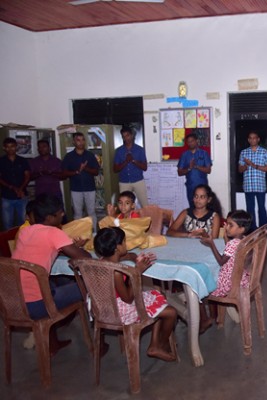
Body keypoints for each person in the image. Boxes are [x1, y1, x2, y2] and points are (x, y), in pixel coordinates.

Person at [12, 194, 91, 356]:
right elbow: (85, 258)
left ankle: (53, 343)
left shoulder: (26, 231)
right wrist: (77, 248)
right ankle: (98, 343)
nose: (63, 214)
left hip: (14, 302)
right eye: (59, 213)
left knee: (56, 282)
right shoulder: (54, 233)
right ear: (49, 218)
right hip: (36, 305)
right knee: (89, 286)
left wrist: (67, 247)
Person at [94, 227, 177, 362]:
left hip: (103, 308)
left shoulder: (103, 261)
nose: (126, 244)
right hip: (120, 311)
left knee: (159, 295)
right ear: (117, 248)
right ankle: (160, 344)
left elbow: (127, 255)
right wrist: (137, 272)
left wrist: (135, 258)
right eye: (124, 242)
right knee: (171, 312)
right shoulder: (116, 272)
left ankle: (154, 343)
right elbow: (128, 298)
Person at [198, 210, 252, 332]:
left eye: (230, 225)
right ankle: (216, 316)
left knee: (200, 285)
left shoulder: (232, 244)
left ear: (241, 229)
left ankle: (205, 319)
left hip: (228, 284)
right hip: (240, 279)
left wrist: (211, 244)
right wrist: (226, 238)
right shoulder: (242, 240)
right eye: (226, 224)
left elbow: (222, 261)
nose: (226, 227)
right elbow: (232, 252)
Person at [61, 132, 100, 227]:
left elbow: (96, 172)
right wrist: (77, 172)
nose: (81, 142)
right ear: (73, 142)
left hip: (90, 188)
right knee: (77, 213)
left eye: (83, 140)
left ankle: (94, 232)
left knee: (91, 212)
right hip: (76, 189)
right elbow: (64, 173)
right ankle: (79, 233)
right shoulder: (69, 156)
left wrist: (85, 168)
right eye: (78, 140)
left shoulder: (90, 155)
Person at [238, 131, 267, 231]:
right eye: (250, 138)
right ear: (248, 140)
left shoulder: (264, 152)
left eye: (254, 138)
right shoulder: (244, 152)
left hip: (260, 186)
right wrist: (246, 166)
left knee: (261, 208)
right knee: (250, 210)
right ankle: (251, 231)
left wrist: (253, 165)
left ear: (258, 139)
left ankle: (263, 231)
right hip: (248, 186)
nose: (253, 140)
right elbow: (240, 170)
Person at [113, 126, 149, 207]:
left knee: (145, 205)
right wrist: (126, 161)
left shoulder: (140, 150)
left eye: (128, 135)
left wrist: (133, 160)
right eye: (124, 136)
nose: (126, 138)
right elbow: (115, 169)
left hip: (138, 181)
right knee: (124, 207)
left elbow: (145, 167)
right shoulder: (119, 151)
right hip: (124, 182)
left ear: (132, 135)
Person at [0, 137, 31, 230]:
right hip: (7, 197)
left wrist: (20, 189)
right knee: (7, 223)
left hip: (21, 196)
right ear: (4, 148)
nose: (10, 149)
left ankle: (22, 239)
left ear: (16, 147)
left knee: (23, 223)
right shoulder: (1, 161)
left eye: (12, 146)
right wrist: (12, 187)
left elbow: (27, 176)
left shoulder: (23, 160)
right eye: (8, 147)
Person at [177, 133, 212, 208]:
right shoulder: (184, 155)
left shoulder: (204, 153)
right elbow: (179, 172)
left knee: (204, 207)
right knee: (193, 207)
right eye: (188, 142)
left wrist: (196, 166)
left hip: (203, 186)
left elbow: (208, 170)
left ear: (196, 141)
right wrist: (189, 168)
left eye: (192, 141)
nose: (190, 143)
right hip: (191, 187)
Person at [29, 139, 65, 205]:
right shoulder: (34, 161)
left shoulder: (56, 161)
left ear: (49, 148)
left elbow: (63, 177)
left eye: (44, 146)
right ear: (38, 149)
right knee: (41, 211)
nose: (42, 149)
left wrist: (51, 173)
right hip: (40, 193)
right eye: (40, 147)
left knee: (58, 210)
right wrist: (40, 173)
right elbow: (29, 177)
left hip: (55, 193)